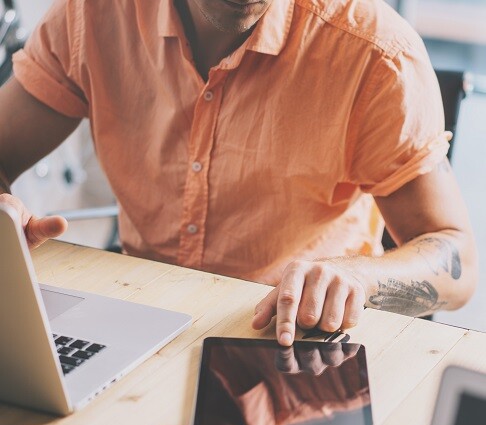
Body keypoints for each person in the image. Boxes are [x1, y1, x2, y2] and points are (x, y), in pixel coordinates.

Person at [0, 0, 478, 347]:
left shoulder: (376, 54)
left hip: (296, 340)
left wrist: (360, 278)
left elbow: (456, 259)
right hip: (136, 318)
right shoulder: (93, 15)